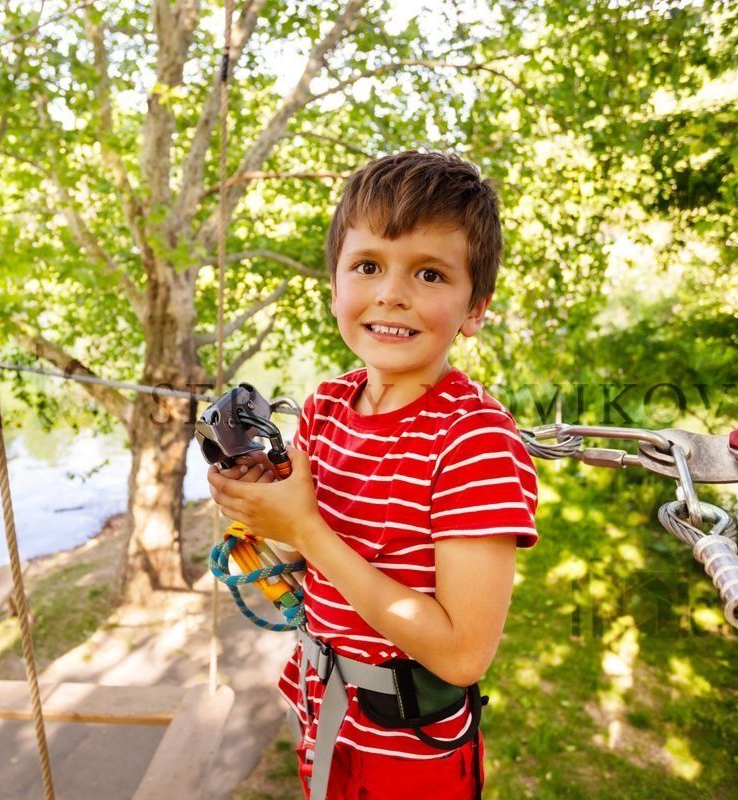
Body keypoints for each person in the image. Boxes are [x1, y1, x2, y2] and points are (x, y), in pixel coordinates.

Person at [206, 151, 538, 800]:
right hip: (323, 707)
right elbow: (306, 558)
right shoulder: (327, 405)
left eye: (431, 274)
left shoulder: (473, 443)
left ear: (474, 310)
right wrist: (264, 513)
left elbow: (463, 654)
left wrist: (307, 528)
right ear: (335, 286)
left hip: (410, 753)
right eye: (368, 266)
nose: (391, 292)